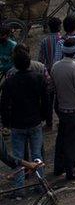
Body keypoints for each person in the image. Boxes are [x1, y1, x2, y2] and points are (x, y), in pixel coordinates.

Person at [0, 47, 49, 191]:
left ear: (15, 64)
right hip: (35, 121)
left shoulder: (10, 81)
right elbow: (45, 101)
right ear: (29, 62)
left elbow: (4, 104)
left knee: (18, 156)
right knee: (37, 154)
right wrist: (45, 117)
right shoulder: (38, 78)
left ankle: (19, 189)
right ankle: (41, 186)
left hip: (17, 124)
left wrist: (6, 122)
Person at [51, 37, 75, 181]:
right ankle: (71, 169)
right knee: (74, 141)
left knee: (62, 137)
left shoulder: (56, 66)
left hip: (61, 107)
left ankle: (58, 166)